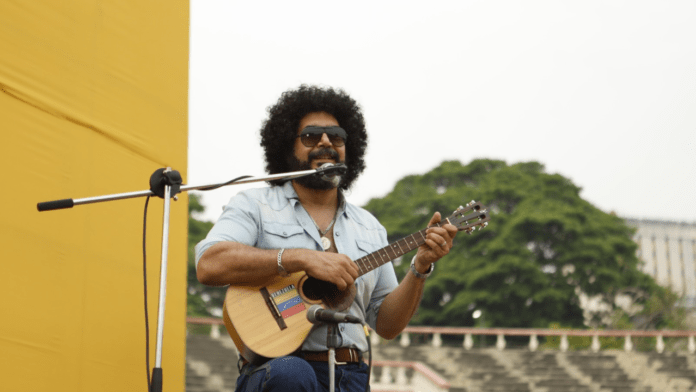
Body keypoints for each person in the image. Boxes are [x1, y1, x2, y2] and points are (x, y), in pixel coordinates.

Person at [195, 85, 458, 392]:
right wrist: (299, 257)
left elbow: (386, 325)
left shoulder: (370, 227)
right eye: (311, 136)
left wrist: (420, 268)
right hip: (279, 372)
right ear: (286, 146)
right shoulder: (255, 204)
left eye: (336, 136)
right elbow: (209, 264)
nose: (325, 142)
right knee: (292, 374)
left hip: (352, 376)